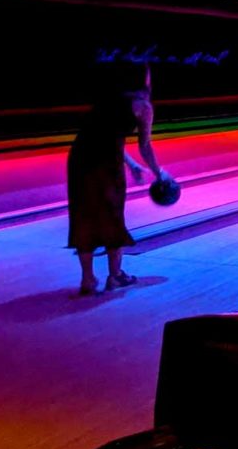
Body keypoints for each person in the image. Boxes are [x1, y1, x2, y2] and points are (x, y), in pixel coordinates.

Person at [67, 62, 171, 295]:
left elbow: (100, 136)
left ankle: (88, 280)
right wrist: (159, 172)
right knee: (112, 214)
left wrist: (132, 165)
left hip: (80, 158)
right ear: (145, 80)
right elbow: (145, 146)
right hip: (105, 162)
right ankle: (114, 276)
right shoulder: (143, 106)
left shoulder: (108, 99)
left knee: (84, 214)